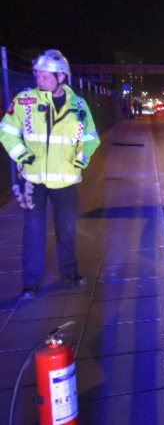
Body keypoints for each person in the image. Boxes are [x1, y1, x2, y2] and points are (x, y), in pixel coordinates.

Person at [0, 49, 100, 298]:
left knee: (66, 230)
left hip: (65, 180)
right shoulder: (24, 101)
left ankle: (69, 274)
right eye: (37, 75)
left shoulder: (78, 105)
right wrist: (22, 155)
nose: (39, 79)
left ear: (61, 78)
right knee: (33, 232)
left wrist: (80, 161)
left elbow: (90, 138)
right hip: (33, 181)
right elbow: (6, 130)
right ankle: (30, 284)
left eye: (45, 76)